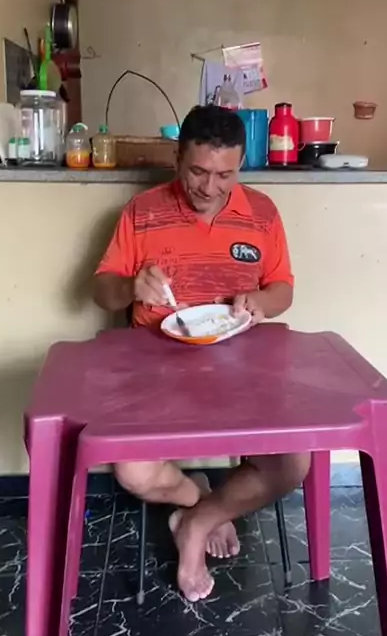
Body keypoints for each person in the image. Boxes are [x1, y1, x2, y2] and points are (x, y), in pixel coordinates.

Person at [93, 104, 310, 602]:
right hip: (154, 366)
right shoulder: (141, 211)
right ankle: (202, 500)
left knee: (292, 463)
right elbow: (101, 290)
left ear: (240, 167)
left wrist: (261, 302)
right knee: (133, 470)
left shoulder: (262, 214)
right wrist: (130, 287)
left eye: (225, 175)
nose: (210, 187)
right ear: (177, 158)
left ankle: (194, 524)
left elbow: (282, 289)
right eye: (197, 171)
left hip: (243, 366)